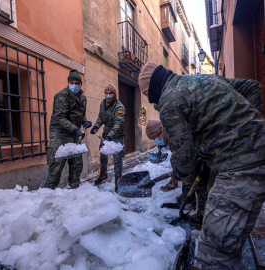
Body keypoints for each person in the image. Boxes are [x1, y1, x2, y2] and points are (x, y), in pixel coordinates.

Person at [138, 62, 265, 270]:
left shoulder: (169, 101)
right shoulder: (201, 79)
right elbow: (253, 87)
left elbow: (185, 157)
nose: (149, 100)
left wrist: (180, 171)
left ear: (150, 88)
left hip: (240, 165)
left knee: (213, 254)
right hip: (247, 158)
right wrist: (253, 126)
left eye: (145, 93)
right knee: (230, 242)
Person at [44, 69, 91, 190]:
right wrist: (75, 129)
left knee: (76, 163)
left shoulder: (83, 98)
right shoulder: (62, 95)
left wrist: (84, 121)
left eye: (77, 83)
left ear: (81, 84)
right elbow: (60, 117)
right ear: (68, 83)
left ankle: (75, 188)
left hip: (74, 134)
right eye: (72, 82)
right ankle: (49, 191)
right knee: (57, 163)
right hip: (59, 133)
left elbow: (81, 114)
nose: (74, 85)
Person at [90, 84, 125, 192]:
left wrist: (110, 136)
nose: (108, 95)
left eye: (111, 93)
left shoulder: (119, 107)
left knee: (117, 159)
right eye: (107, 93)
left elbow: (118, 124)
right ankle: (103, 174)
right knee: (103, 155)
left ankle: (118, 182)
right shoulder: (103, 103)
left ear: (115, 94)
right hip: (106, 135)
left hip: (116, 137)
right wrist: (96, 126)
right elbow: (101, 117)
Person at [145, 119, 180, 191]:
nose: (155, 141)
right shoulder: (168, 136)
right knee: (174, 162)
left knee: (188, 180)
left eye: (155, 137)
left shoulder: (176, 138)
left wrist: (180, 170)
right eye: (153, 139)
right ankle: (175, 183)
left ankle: (188, 196)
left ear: (161, 133)